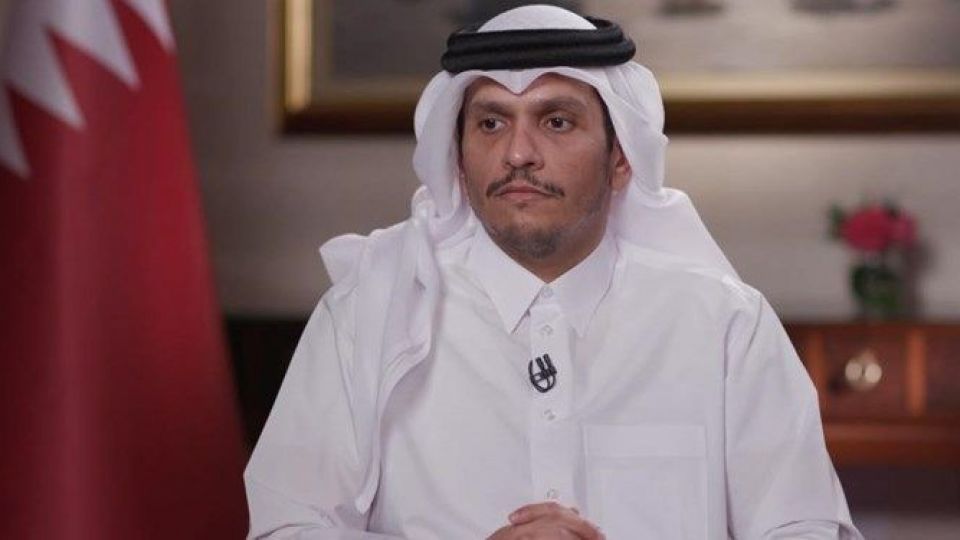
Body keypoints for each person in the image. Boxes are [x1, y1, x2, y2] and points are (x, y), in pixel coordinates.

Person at [244, 5, 863, 539]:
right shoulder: (366, 313)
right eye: (491, 123)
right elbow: (285, 528)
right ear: (457, 159)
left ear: (621, 158)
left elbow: (805, 528)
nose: (518, 153)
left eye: (556, 121)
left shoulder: (725, 324)